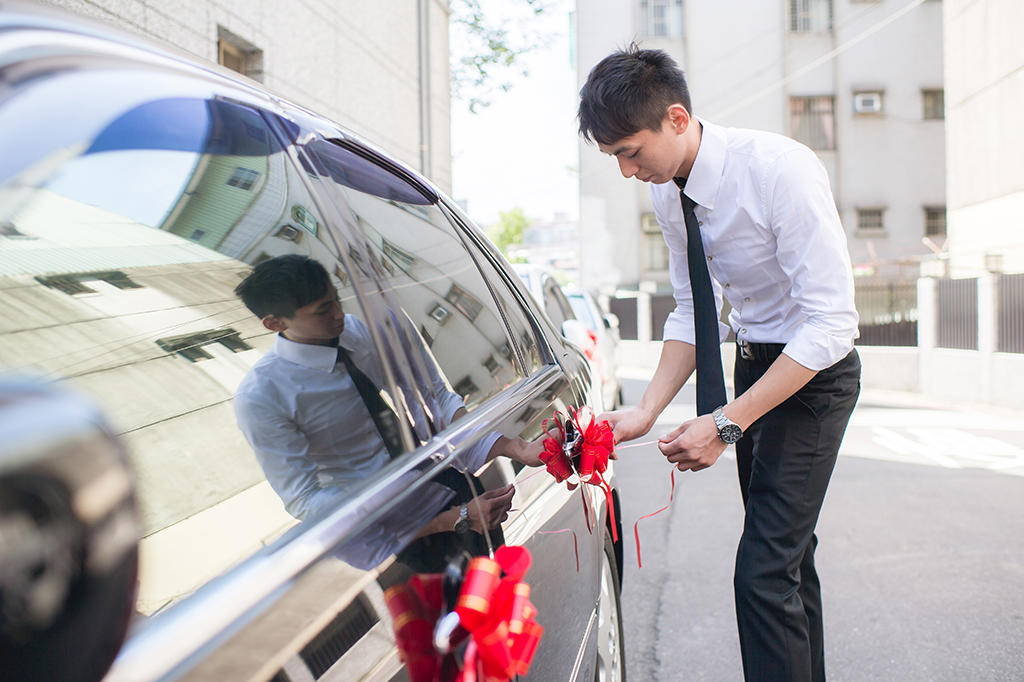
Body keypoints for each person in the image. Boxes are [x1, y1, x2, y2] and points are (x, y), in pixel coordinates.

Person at [580, 46, 861, 682]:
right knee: (787, 559)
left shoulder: (779, 170)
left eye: (630, 151)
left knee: (763, 569)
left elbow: (830, 326)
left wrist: (727, 423)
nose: (627, 172)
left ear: (675, 118)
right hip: (757, 367)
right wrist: (647, 409)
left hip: (814, 376)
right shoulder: (667, 195)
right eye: (614, 158)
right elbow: (690, 310)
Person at [232, 254, 542, 570]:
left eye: (336, 300)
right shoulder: (262, 397)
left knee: (506, 601)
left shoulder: (364, 330)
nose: (340, 314)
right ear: (275, 323)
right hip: (407, 535)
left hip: (460, 491)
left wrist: (518, 449)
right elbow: (309, 504)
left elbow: (434, 398)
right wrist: (453, 520)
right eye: (323, 310)